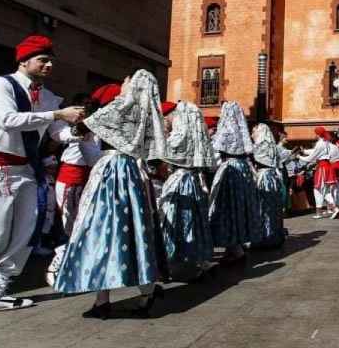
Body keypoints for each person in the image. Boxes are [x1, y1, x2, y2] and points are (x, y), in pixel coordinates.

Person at [0, 35, 85, 313]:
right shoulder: (1, 86)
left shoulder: (49, 97)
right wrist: (57, 115)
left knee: (27, 231)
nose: (49, 65)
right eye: (43, 59)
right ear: (24, 60)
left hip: (25, 167)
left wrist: (79, 131)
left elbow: (57, 133)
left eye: (51, 60)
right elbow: (8, 121)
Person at [54, 69, 166, 319]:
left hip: (110, 171)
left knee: (99, 228)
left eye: (127, 80)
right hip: (133, 173)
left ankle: (103, 299)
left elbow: (79, 130)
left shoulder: (118, 108)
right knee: (132, 230)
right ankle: (144, 292)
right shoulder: (144, 114)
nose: (122, 83)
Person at [46, 87, 111, 286]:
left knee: (82, 224)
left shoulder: (99, 129)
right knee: (69, 224)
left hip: (88, 178)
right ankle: (58, 263)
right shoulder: (71, 126)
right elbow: (59, 139)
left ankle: (75, 263)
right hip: (70, 178)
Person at [157, 101, 215, 281]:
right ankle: (199, 260)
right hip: (194, 181)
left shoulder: (179, 137)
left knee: (173, 220)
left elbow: (161, 152)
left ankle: (167, 262)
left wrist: (162, 134)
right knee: (194, 221)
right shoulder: (195, 136)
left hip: (179, 180)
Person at [208, 101, 257, 262]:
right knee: (239, 208)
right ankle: (237, 246)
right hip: (243, 169)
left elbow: (215, 152)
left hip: (229, 170)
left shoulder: (225, 131)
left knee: (227, 209)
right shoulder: (243, 134)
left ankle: (233, 247)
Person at [250, 123, 286, 248]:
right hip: (273, 177)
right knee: (273, 208)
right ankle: (275, 236)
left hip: (263, 177)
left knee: (263, 207)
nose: (252, 135)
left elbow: (251, 158)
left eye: (254, 132)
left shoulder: (259, 146)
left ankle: (265, 237)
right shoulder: (273, 146)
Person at [299, 127, 339, 219]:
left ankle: (324, 211)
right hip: (327, 167)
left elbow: (311, 158)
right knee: (325, 191)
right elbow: (315, 152)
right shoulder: (326, 142)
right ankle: (333, 209)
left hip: (322, 168)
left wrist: (299, 157)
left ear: (318, 134)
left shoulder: (320, 143)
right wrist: (304, 151)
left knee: (318, 190)